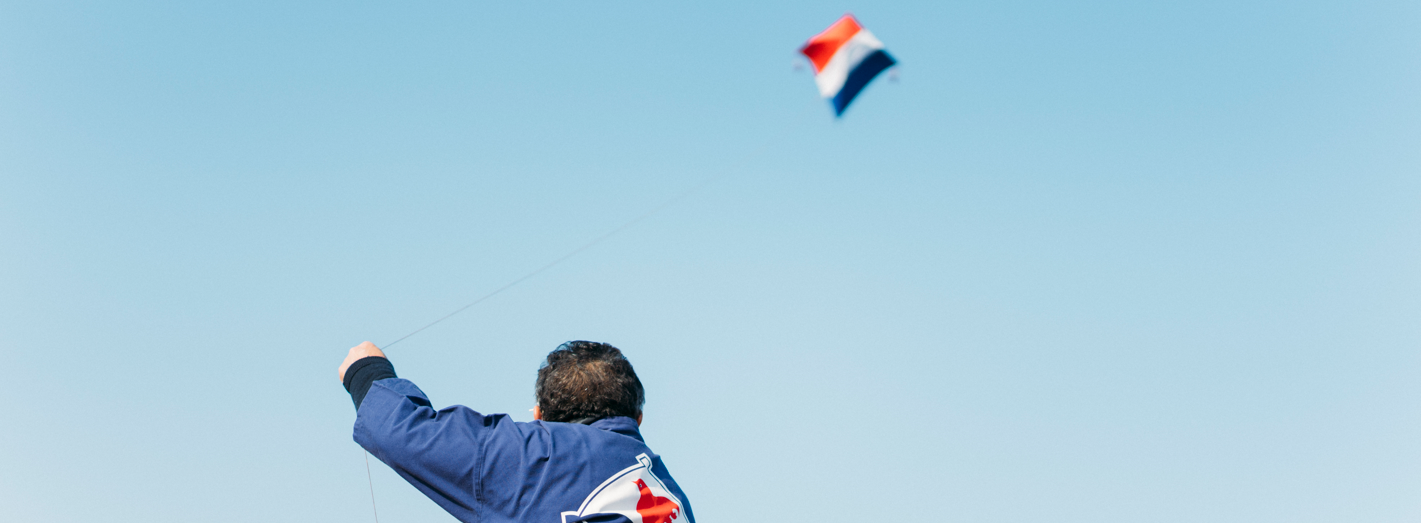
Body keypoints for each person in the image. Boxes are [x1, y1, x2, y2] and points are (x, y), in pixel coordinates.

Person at [338, 340, 695, 523]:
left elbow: (400, 431)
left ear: (539, 418)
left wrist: (365, 369)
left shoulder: (541, 456)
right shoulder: (671, 493)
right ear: (638, 419)